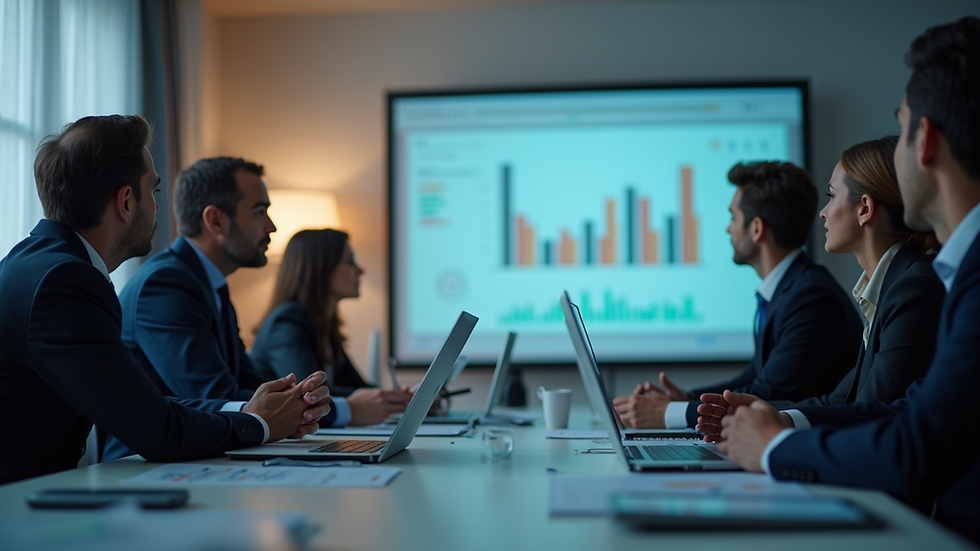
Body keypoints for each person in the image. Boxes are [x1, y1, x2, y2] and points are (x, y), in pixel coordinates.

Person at [715, 16, 980, 544]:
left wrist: (773, 446)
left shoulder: (931, 283)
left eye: (902, 128)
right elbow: (902, 409)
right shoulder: (952, 273)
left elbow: (913, 443)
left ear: (925, 140)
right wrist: (782, 424)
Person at [0, 115, 330, 484]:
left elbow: (141, 406)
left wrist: (255, 413)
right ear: (126, 202)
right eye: (154, 192)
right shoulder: (65, 282)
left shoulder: (42, 265)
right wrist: (258, 423)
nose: (159, 209)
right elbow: (157, 430)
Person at [695, 136, 944, 433]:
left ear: (864, 208)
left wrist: (776, 426)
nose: (823, 212)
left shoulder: (913, 288)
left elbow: (876, 411)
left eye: (831, 195)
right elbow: (840, 400)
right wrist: (767, 412)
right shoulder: (890, 286)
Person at [103, 156, 340, 461]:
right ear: (215, 220)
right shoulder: (165, 284)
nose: (272, 226)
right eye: (260, 212)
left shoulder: (210, 283)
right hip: (140, 467)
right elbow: (213, 393)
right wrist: (295, 407)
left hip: (203, 455)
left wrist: (297, 403)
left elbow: (246, 382)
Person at [613, 161, 864, 429]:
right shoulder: (787, 290)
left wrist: (671, 413)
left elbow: (770, 394)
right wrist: (686, 399)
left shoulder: (813, 298)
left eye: (733, 217)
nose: (728, 228)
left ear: (756, 229)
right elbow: (754, 376)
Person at [251, 229, 412, 426]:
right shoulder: (286, 322)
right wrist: (391, 399)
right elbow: (311, 393)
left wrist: (404, 400)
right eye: (349, 261)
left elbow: (355, 387)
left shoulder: (323, 324)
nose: (360, 271)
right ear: (320, 269)